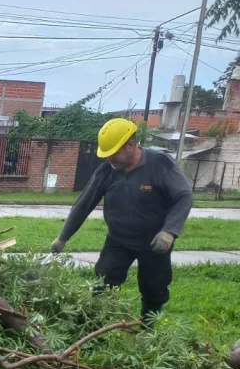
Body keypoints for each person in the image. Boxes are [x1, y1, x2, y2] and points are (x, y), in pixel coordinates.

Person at [50, 117, 193, 323]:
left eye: (112, 153)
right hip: (118, 241)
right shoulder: (108, 170)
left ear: (131, 146)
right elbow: (83, 204)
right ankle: (97, 326)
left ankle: (147, 330)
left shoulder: (159, 163)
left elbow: (184, 196)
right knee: (104, 282)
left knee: (154, 288)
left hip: (155, 243)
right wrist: (62, 238)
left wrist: (169, 231)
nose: (109, 159)